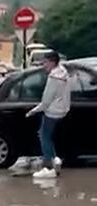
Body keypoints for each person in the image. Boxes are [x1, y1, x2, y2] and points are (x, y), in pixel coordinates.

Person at [26, 51, 71, 179]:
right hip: (63, 110)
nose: (43, 65)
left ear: (52, 62)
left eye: (45, 62)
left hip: (52, 112)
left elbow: (46, 101)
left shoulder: (53, 78)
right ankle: (55, 159)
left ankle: (48, 168)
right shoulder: (63, 72)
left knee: (44, 136)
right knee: (48, 135)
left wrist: (33, 111)